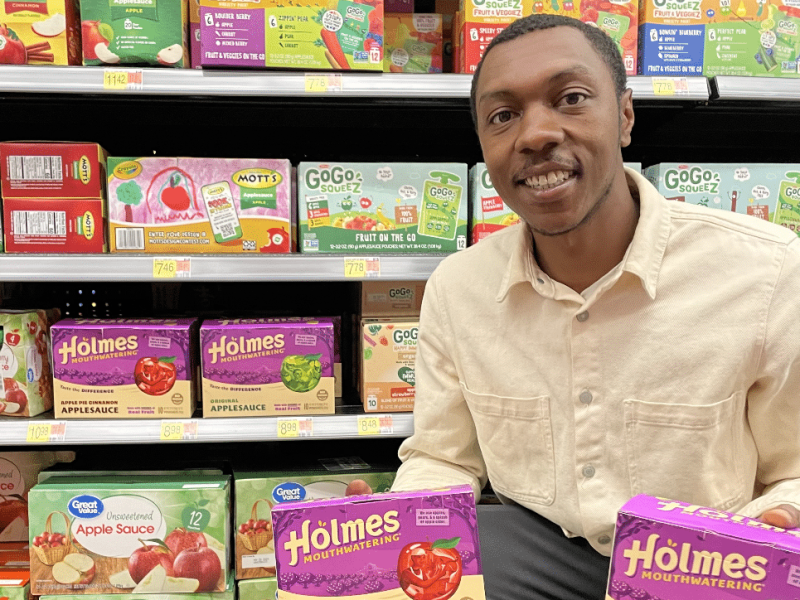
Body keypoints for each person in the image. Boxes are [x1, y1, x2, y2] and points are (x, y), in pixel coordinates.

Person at [357, 13, 800, 600]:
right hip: (541, 544)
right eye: (502, 116)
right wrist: (391, 529)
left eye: (570, 98)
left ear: (625, 116)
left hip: (705, 559)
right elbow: (443, 460)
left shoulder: (765, 270)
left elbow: (793, 466)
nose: (535, 134)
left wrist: (780, 517)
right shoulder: (458, 289)